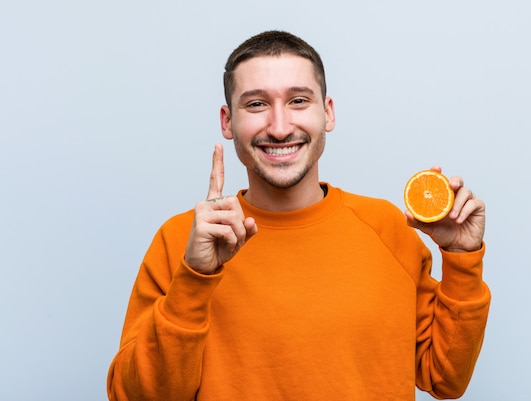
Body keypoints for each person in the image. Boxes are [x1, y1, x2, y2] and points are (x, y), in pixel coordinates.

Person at [107, 30, 491, 401]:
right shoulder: (182, 242)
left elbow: (445, 379)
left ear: (328, 113)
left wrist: (462, 261)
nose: (279, 127)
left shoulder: (388, 227)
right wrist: (195, 279)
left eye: (298, 101)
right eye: (256, 104)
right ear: (227, 121)